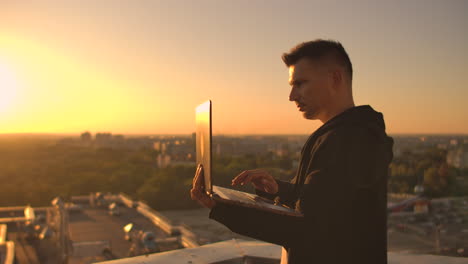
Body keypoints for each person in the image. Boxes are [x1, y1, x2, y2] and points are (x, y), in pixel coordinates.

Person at [190, 39, 394, 264]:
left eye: (301, 83)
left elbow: (307, 230)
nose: (292, 96)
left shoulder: (350, 139)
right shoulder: (345, 133)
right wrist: (279, 190)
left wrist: (221, 209)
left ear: (335, 78)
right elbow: (326, 207)